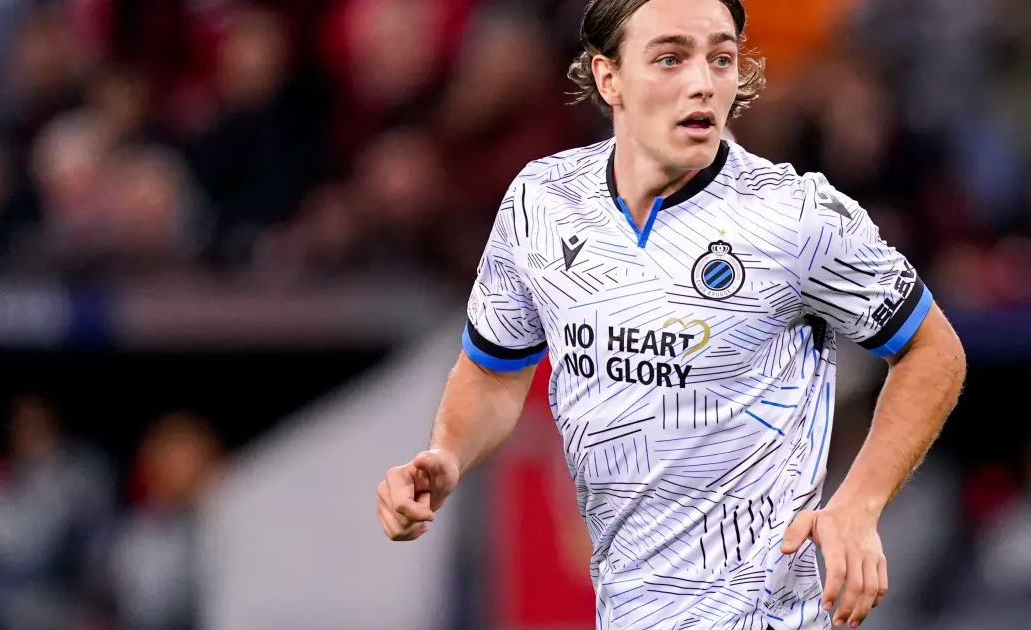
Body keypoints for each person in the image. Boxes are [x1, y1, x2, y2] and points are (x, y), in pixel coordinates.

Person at [373, 1, 968, 629]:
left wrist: (860, 505)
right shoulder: (541, 202)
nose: (702, 81)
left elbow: (933, 350)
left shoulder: (798, 218)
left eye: (721, 58)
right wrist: (447, 454)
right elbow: (495, 369)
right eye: (670, 58)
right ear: (609, 78)